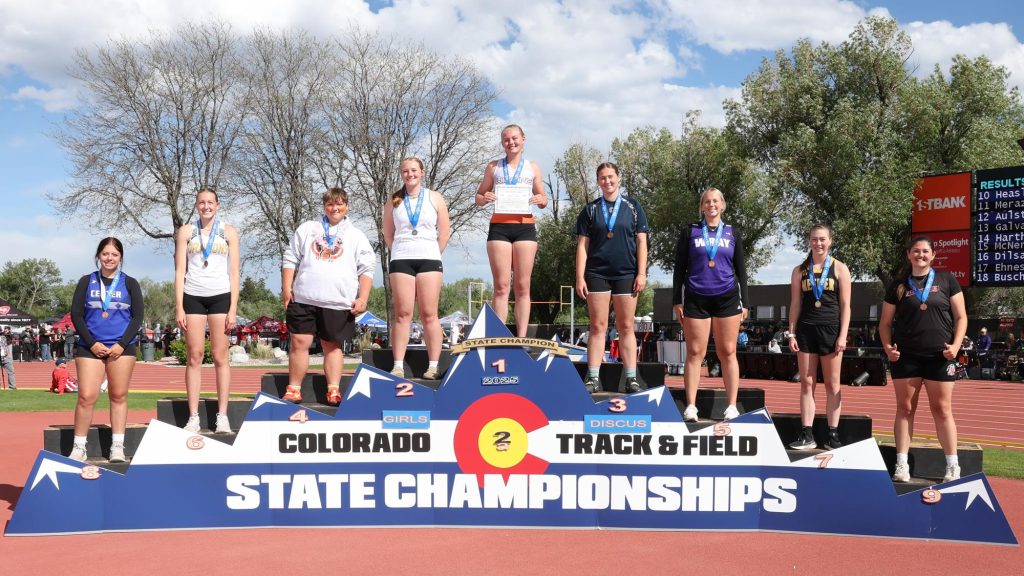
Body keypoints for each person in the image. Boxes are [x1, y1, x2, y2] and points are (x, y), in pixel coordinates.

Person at [880, 236, 967, 483]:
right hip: (906, 356)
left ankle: (952, 465)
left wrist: (956, 346)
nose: (921, 255)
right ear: (909, 254)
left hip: (940, 356)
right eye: (916, 251)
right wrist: (888, 348)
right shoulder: (898, 286)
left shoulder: (947, 280)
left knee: (942, 409)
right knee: (905, 408)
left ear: (933, 255)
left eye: (925, 251)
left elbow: (961, 317)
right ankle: (901, 464)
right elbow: (885, 324)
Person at [281, 188, 375, 405]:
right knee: (299, 342)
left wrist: (363, 298)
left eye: (339, 204)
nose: (335, 208)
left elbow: (367, 268)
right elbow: (290, 257)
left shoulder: (356, 235)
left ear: (347, 206)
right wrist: (286, 287)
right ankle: (294, 388)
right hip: (304, 297)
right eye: (330, 204)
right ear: (324, 207)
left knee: (332, 345)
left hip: (338, 300)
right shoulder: (307, 228)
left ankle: (333, 389)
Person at [672, 187, 749, 421]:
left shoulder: (733, 232)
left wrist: (746, 302)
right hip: (696, 297)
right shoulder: (690, 231)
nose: (711, 205)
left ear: (722, 205)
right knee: (695, 352)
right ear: (701, 206)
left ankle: (732, 406)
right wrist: (677, 300)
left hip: (727, 298)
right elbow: (679, 269)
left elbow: (742, 270)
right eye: (707, 201)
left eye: (715, 201)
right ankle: (691, 406)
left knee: (728, 351)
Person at [575, 162, 649, 393]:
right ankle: (593, 377)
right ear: (598, 181)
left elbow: (642, 241)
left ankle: (631, 378)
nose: (607, 181)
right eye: (602, 178)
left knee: (626, 326)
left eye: (610, 177)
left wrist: (641, 273)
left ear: (619, 178)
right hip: (597, 272)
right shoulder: (590, 209)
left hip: (626, 273)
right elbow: (582, 245)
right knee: (598, 326)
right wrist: (579, 277)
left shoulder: (633, 206)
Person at [69, 237, 144, 463]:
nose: (109, 258)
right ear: (98, 256)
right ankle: (79, 447)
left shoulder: (130, 283)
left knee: (118, 395)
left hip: (121, 348)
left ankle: (117, 446)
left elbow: (137, 317)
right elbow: (76, 315)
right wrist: (92, 343)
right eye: (105, 254)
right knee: (86, 396)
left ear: (120, 258)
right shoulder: (86, 281)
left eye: (114, 254)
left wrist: (121, 344)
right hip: (90, 347)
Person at [174, 187, 240, 434]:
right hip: (193, 296)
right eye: (202, 202)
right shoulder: (186, 231)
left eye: (210, 202)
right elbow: (180, 271)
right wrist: (179, 306)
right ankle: (193, 417)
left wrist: (233, 308)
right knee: (195, 355)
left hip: (220, 296)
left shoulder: (228, 231)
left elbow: (234, 272)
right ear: (196, 205)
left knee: (221, 356)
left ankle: (222, 416)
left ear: (217, 205)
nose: (206, 206)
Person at [475, 124, 548, 336]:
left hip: (525, 228)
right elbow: (478, 196)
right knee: (501, 286)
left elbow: (543, 199)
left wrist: (540, 199)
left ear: (523, 139)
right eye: (506, 139)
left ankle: (522, 338)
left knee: (523, 286)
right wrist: (485, 197)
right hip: (499, 228)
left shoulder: (532, 167)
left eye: (515, 138)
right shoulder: (493, 167)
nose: (511, 142)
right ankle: (499, 337)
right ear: (502, 143)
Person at [383, 157, 451, 380]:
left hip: (429, 259)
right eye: (405, 171)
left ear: (422, 172)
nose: (409, 174)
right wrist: (401, 250)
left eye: (413, 170)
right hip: (402, 259)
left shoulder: (434, 197)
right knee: (402, 314)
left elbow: (444, 232)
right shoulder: (394, 200)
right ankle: (397, 366)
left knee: (429, 314)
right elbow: (388, 233)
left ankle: (433, 366)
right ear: (401, 174)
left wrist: (432, 252)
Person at [786, 224, 852, 451]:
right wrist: (791, 333)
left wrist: (843, 335)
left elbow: (846, 306)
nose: (818, 243)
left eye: (822, 239)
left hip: (831, 331)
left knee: (833, 384)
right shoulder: (799, 270)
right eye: (814, 239)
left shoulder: (840, 268)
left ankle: (833, 435)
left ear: (830, 241)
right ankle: (807, 434)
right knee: (807, 383)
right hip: (806, 330)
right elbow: (795, 304)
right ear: (809, 241)